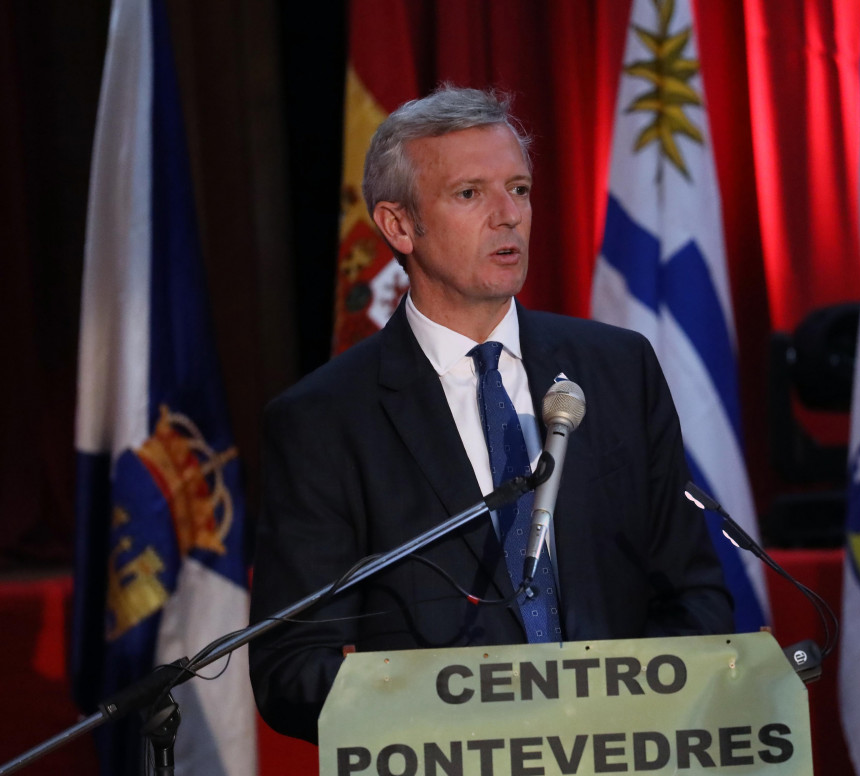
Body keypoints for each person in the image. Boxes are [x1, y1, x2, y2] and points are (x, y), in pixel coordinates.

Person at [248, 86, 733, 743]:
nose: (509, 216)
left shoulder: (618, 370)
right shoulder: (326, 420)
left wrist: (621, 713)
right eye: (471, 194)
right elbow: (291, 667)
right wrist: (470, 717)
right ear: (398, 225)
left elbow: (696, 595)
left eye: (521, 189)